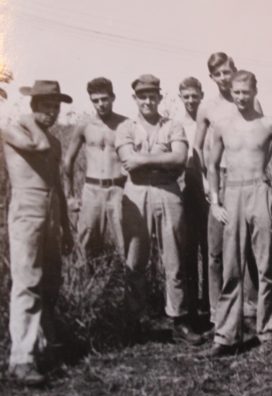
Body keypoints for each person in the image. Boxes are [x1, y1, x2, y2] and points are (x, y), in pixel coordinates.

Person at [204, 70, 272, 357]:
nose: (242, 97)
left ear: (255, 91)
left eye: (246, 92)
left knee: (266, 266)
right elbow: (212, 165)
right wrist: (215, 202)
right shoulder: (221, 126)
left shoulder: (268, 124)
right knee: (232, 267)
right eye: (237, 92)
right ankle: (226, 335)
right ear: (231, 93)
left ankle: (267, 331)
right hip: (232, 193)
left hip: (260, 191)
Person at [115, 74, 201, 345]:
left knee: (174, 257)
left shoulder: (172, 125)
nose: (148, 101)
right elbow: (128, 160)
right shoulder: (126, 128)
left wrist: (145, 159)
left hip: (168, 191)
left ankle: (179, 319)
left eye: (153, 96)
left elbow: (179, 158)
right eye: (143, 96)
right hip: (136, 192)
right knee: (135, 258)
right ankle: (135, 321)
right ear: (135, 99)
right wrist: (156, 160)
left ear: (160, 98)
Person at [2, 80, 73, 386]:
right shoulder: (13, 129)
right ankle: (21, 358)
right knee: (26, 281)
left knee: (51, 280)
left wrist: (66, 227)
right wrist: (32, 120)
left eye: (56, 107)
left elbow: (57, 184)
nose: (52, 113)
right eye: (45, 107)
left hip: (51, 208)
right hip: (26, 207)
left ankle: (43, 346)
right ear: (33, 107)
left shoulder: (55, 141)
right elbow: (36, 146)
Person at [193, 52, 261, 325]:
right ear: (212, 77)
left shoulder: (249, 99)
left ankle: (252, 307)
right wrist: (207, 184)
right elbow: (197, 146)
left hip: (244, 177)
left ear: (235, 70)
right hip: (218, 179)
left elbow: (262, 137)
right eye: (218, 74)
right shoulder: (207, 107)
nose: (224, 77)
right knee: (216, 251)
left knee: (249, 247)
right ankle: (217, 311)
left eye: (227, 71)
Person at [63, 77, 127, 262]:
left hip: (118, 189)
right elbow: (68, 161)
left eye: (104, 99)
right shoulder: (85, 125)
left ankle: (127, 287)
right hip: (92, 190)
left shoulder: (126, 125)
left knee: (125, 243)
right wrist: (70, 196)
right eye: (95, 100)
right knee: (86, 243)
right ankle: (88, 288)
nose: (100, 104)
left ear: (113, 97)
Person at [177, 76, 209, 315]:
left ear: (201, 96)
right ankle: (190, 307)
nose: (190, 101)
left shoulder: (210, 121)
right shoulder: (177, 124)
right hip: (186, 188)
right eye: (186, 97)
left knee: (211, 248)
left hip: (209, 188)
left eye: (194, 96)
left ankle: (210, 304)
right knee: (187, 248)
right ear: (180, 98)